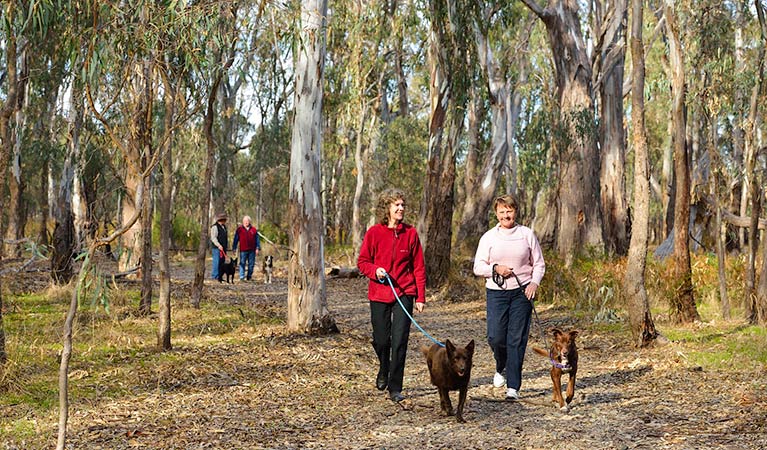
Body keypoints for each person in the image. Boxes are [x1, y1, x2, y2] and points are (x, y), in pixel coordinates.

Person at [473, 194, 545, 400]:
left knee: (516, 339)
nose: (506, 215)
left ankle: (513, 386)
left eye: (509, 211)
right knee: (495, 337)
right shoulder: (489, 237)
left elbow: (539, 263)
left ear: (515, 211)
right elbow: (478, 266)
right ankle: (501, 365)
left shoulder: (526, 234)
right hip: (496, 292)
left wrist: (534, 283)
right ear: (496, 214)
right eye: (502, 211)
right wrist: (495, 268)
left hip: (522, 292)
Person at [357, 188, 426, 403]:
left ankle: (395, 386)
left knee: (399, 341)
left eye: (403, 205)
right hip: (379, 293)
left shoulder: (411, 233)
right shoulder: (374, 233)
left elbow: (419, 267)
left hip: (404, 293)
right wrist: (375, 271)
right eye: (397, 205)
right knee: (381, 340)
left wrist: (421, 297)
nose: (401, 208)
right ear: (387, 208)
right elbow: (362, 262)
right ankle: (383, 369)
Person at [232, 215, 260, 281]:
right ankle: (242, 277)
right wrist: (234, 248)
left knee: (251, 264)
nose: (246, 222)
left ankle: (249, 276)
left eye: (247, 221)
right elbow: (236, 239)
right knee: (242, 263)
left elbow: (257, 240)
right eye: (244, 221)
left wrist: (257, 248)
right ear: (243, 222)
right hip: (243, 250)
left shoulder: (254, 229)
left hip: (252, 250)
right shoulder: (239, 230)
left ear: (249, 222)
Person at [210, 213, 229, 280]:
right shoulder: (214, 227)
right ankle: (215, 276)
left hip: (223, 248)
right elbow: (213, 238)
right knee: (216, 262)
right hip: (217, 248)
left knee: (222, 262)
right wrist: (218, 245)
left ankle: (220, 276)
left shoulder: (224, 227)